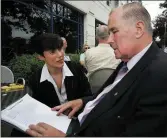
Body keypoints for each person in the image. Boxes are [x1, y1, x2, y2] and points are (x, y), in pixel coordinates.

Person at [26, 2, 167, 137]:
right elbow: (108, 96)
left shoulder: (160, 75)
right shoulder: (129, 61)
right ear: (40, 57)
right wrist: (82, 102)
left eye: (114, 31)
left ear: (139, 29)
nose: (109, 40)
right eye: (109, 32)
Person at [11, 33, 92, 137]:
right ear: (40, 56)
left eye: (60, 48)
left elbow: (90, 98)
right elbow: (32, 111)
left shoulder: (76, 70)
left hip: (79, 125)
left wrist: (80, 102)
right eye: (53, 51)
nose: (60, 54)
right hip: (51, 128)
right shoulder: (35, 80)